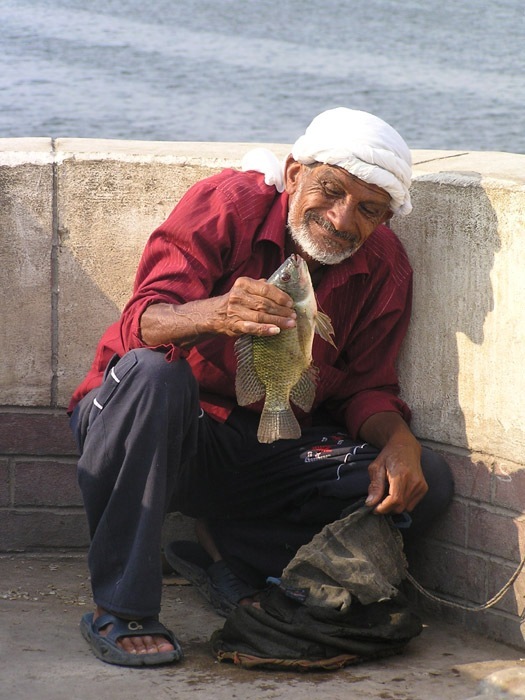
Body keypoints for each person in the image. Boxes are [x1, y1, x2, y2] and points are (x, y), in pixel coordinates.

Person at [69, 107, 454, 667]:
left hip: (268, 444)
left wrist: (399, 441)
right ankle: (123, 608)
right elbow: (143, 323)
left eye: (369, 210)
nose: (343, 220)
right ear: (295, 173)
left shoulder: (384, 266)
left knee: (425, 483)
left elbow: (366, 389)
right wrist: (217, 312)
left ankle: (231, 551)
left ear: (385, 220)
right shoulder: (228, 204)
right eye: (331, 190)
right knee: (153, 373)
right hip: (161, 431)